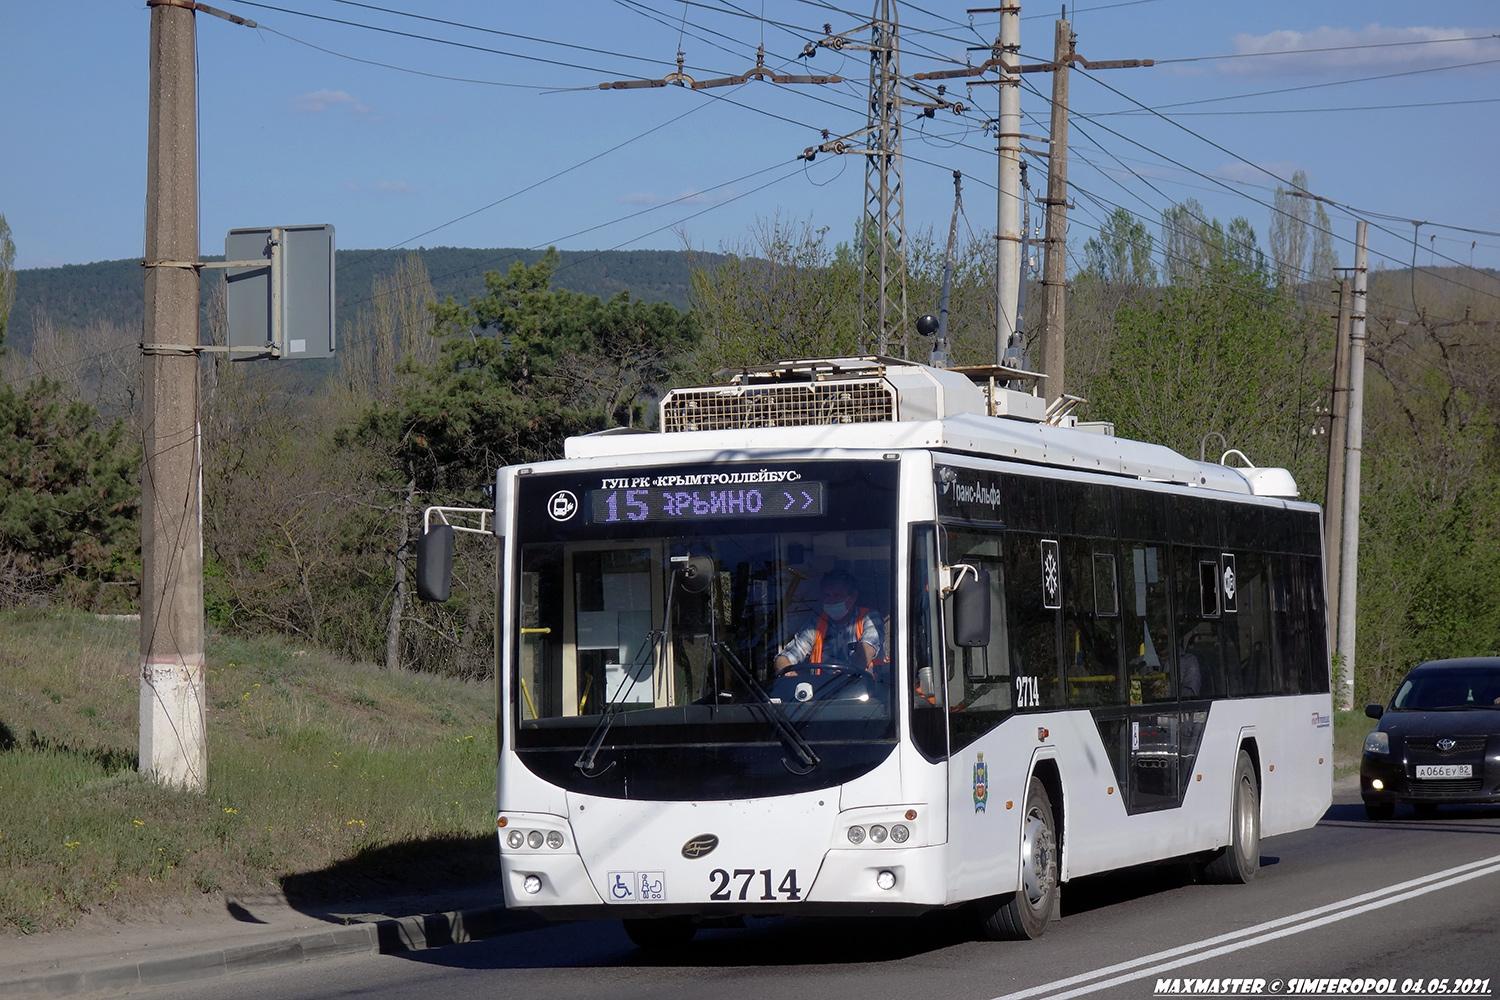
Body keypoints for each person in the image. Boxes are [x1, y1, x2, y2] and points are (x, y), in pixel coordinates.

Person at [775, 570, 883, 676]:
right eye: (827, 595)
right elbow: (784, 658)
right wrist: (788, 671)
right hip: (824, 691)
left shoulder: (870, 618)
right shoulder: (816, 624)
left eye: (837, 595)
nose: (831, 601)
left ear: (853, 597)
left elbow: (868, 648)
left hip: (866, 689)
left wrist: (849, 675)